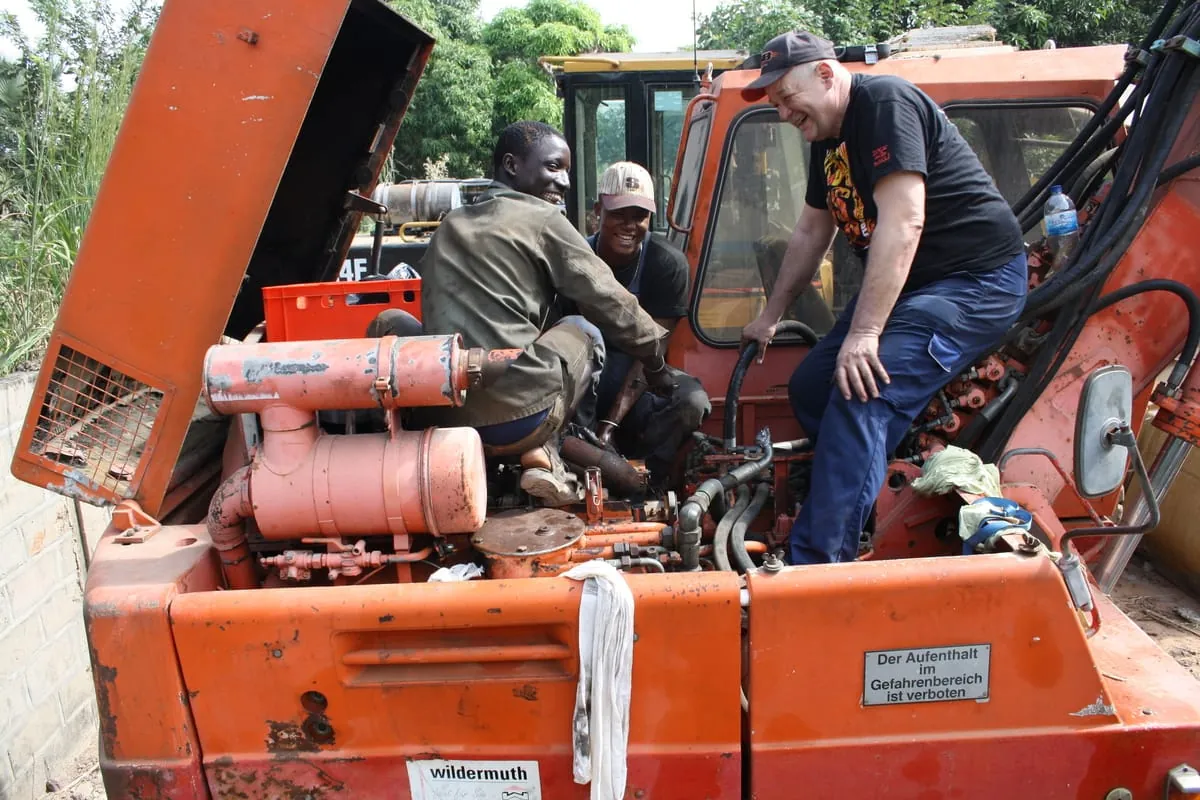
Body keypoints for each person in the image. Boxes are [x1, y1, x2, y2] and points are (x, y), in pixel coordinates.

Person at [739, 32, 1028, 564]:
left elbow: (905, 218)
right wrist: (770, 315)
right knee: (810, 386)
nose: (782, 113)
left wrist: (866, 335)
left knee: (861, 390)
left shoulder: (883, 103)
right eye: (775, 103)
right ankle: (866, 494)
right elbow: (810, 231)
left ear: (826, 74)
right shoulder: (829, 136)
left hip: (974, 282)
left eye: (785, 96)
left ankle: (818, 565)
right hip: (913, 284)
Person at [404, 121, 681, 505]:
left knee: (395, 325)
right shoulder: (543, 220)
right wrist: (656, 363)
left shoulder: (450, 225)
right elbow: (611, 303)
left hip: (445, 419)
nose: (564, 182)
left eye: (566, 170)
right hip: (521, 416)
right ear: (511, 165)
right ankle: (555, 451)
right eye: (554, 167)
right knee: (583, 330)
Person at [562, 161, 710, 482]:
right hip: (582, 378)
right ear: (597, 211)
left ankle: (648, 482)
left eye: (639, 216)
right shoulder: (574, 260)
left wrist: (610, 425)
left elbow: (653, 350)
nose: (629, 225)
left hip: (637, 374)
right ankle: (576, 469)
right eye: (618, 214)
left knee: (691, 400)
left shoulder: (666, 264)